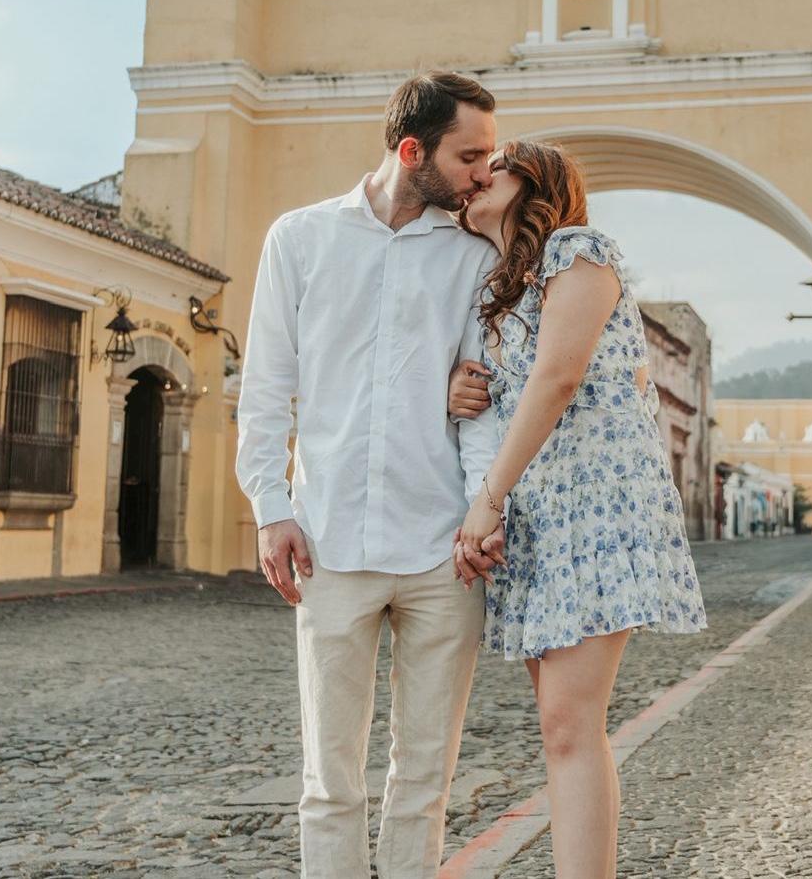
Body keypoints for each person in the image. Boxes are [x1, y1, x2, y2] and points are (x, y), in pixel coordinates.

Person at [234, 71, 506, 879]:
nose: (483, 174)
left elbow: (482, 401)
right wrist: (270, 507)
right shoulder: (299, 239)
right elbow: (265, 387)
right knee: (330, 782)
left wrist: (480, 514)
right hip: (329, 543)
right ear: (412, 151)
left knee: (425, 781)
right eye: (469, 157)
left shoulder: (474, 258)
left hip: (441, 551)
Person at [447, 139, 707, 879]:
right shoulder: (502, 289)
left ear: (535, 179)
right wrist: (458, 390)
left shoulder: (577, 250)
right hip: (544, 515)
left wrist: (487, 501)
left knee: (570, 724)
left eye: (494, 164)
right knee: (563, 728)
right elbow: (507, 396)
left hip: (597, 507)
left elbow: (559, 377)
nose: (476, 177)